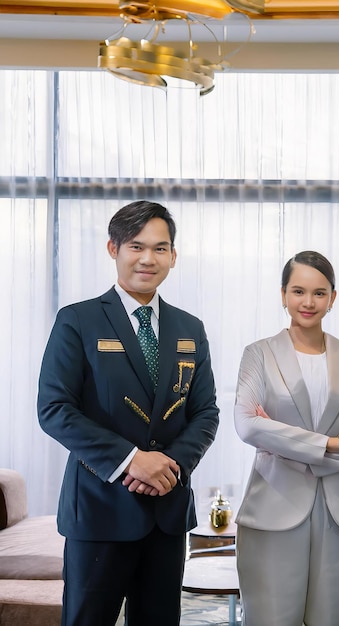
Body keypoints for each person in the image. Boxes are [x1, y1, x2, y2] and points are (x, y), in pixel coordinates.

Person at [37, 201, 220, 626]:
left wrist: (170, 465)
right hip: (100, 510)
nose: (148, 259)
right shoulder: (78, 321)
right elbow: (54, 409)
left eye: (160, 248)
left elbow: (205, 411)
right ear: (113, 249)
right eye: (136, 246)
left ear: (173, 256)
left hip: (167, 511)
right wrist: (132, 461)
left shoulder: (189, 328)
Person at [233, 250, 339, 626]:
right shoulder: (259, 355)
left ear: (333, 298)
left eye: (319, 293)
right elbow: (248, 425)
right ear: (283, 294)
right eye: (298, 291)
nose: (308, 302)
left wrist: (280, 440)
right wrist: (332, 442)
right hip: (272, 506)